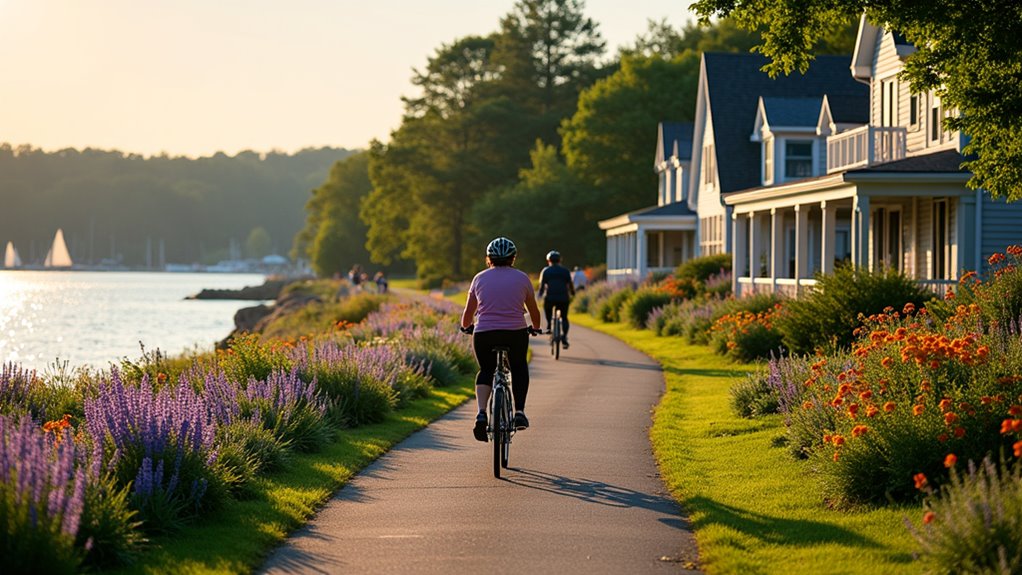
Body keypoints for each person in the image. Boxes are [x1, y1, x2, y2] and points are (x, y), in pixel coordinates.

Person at [461, 237, 542, 441]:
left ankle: (481, 413)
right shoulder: (522, 278)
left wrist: (466, 327)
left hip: (484, 333)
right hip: (515, 333)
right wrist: (536, 328)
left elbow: (468, 313)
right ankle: (519, 413)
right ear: (512, 258)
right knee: (518, 366)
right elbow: (534, 311)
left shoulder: (479, 278)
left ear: (489, 258)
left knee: (486, 370)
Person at [537, 250, 575, 348]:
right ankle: (564, 337)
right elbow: (570, 284)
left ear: (548, 260)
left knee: (547, 309)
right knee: (564, 317)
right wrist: (572, 293)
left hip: (550, 297)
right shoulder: (565, 271)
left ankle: (549, 324)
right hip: (563, 298)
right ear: (559, 260)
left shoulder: (546, 271)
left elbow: (541, 287)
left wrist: (539, 295)